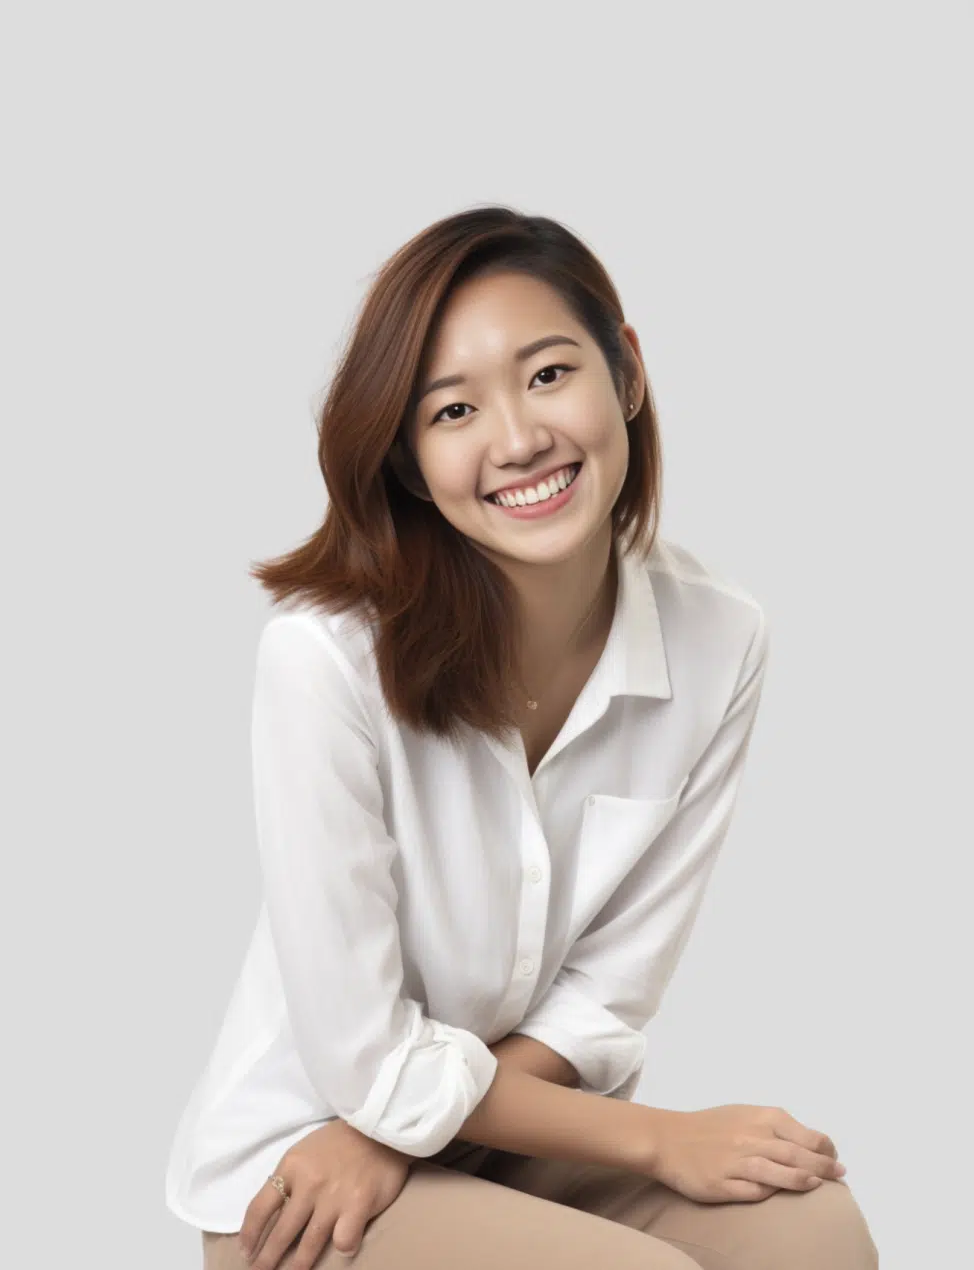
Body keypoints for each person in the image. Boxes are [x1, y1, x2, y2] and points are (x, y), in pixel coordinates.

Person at [165, 206, 878, 1269]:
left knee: (812, 1235)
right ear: (407, 458)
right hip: (308, 1172)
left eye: (547, 374)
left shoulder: (718, 636)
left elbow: (606, 992)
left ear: (624, 369)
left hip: (510, 1136)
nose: (516, 439)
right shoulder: (323, 658)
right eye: (452, 409)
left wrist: (416, 1126)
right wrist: (655, 1138)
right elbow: (364, 1055)